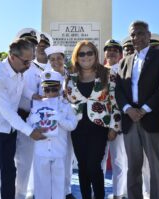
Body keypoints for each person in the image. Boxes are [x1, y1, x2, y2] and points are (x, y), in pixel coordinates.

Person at [0, 38, 46, 199]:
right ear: (13, 57)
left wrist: (34, 96)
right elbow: (8, 112)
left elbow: (21, 88)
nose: (29, 66)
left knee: (9, 171)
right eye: (26, 62)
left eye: (31, 61)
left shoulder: (19, 69)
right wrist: (31, 132)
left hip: (10, 129)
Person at [115, 21, 159, 199]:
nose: (136, 38)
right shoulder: (124, 62)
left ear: (148, 35)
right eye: (133, 34)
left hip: (152, 118)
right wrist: (127, 109)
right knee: (133, 167)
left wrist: (145, 109)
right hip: (130, 120)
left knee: (156, 167)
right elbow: (119, 90)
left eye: (140, 33)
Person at [65, 40, 121, 199]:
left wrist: (114, 126)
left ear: (95, 55)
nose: (86, 56)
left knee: (94, 166)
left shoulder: (108, 73)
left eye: (90, 52)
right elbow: (67, 100)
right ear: (77, 56)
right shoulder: (70, 75)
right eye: (82, 53)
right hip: (77, 126)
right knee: (82, 166)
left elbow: (114, 101)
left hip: (99, 126)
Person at [28, 70, 78, 199]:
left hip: (58, 151)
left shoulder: (66, 105)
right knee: (41, 187)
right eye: (46, 89)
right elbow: (28, 123)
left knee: (59, 187)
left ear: (59, 88)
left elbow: (72, 125)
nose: (50, 93)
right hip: (41, 150)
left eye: (54, 89)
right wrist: (35, 122)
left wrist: (59, 118)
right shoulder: (36, 105)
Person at [44, 45, 76, 199]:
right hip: (50, 123)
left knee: (67, 156)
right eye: (52, 59)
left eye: (58, 58)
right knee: (49, 158)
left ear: (64, 59)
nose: (56, 61)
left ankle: (66, 190)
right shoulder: (45, 76)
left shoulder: (73, 76)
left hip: (69, 120)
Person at [14, 27, 40, 199]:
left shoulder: (39, 70)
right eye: (26, 42)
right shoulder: (11, 64)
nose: (30, 46)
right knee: (7, 162)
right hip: (9, 117)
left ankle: (20, 195)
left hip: (28, 119)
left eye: (33, 44)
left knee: (25, 161)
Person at [101, 39, 128, 199]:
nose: (111, 52)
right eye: (108, 49)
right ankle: (97, 192)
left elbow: (120, 100)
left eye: (115, 50)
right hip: (99, 123)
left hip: (118, 124)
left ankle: (118, 194)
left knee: (118, 159)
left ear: (120, 53)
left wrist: (114, 126)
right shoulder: (99, 71)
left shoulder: (124, 72)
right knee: (99, 160)